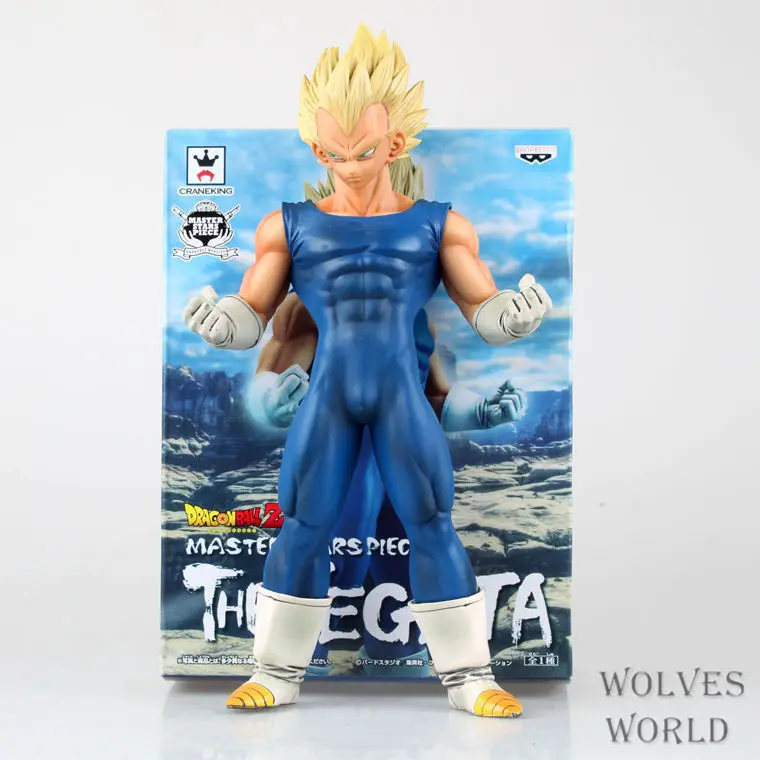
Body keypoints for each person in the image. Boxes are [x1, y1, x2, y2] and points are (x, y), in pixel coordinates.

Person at [184, 25, 551, 717]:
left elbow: (481, 305)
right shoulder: (287, 226)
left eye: (363, 151)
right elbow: (252, 313)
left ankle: (471, 677)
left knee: (432, 520)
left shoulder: (439, 225)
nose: (347, 166)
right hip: (327, 398)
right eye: (332, 152)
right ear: (315, 147)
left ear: (397, 143)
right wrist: (221, 325)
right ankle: (275, 672)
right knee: (302, 522)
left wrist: (513, 316)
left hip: (399, 399)